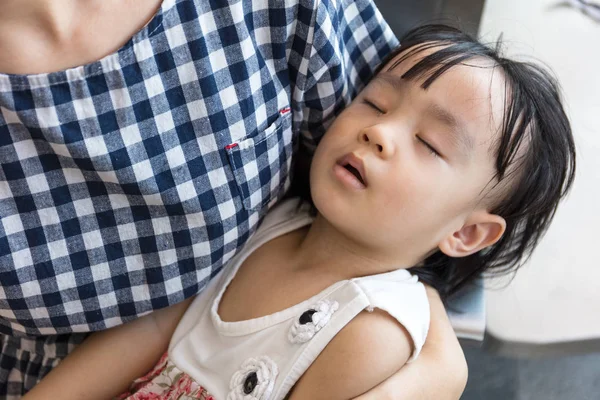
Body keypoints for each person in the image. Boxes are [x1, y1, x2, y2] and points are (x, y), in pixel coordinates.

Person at [21, 24, 576, 400]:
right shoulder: (274, 219)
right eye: (376, 102)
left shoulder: (372, 329)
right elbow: (156, 326)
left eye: (429, 144)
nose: (378, 131)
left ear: (467, 232)